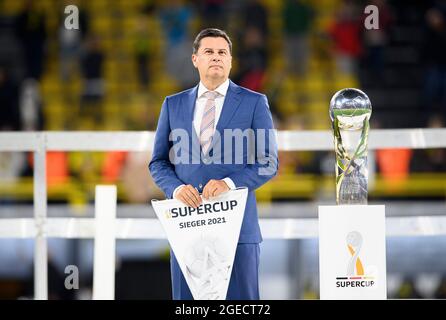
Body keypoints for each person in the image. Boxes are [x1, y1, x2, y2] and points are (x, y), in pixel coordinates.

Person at [149, 28, 278, 300]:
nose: (216, 57)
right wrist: (175, 190)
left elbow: (268, 162)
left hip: (239, 231)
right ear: (195, 59)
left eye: (222, 52)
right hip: (187, 231)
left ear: (231, 61)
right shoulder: (172, 105)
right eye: (209, 51)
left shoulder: (255, 103)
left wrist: (228, 184)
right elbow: (158, 162)